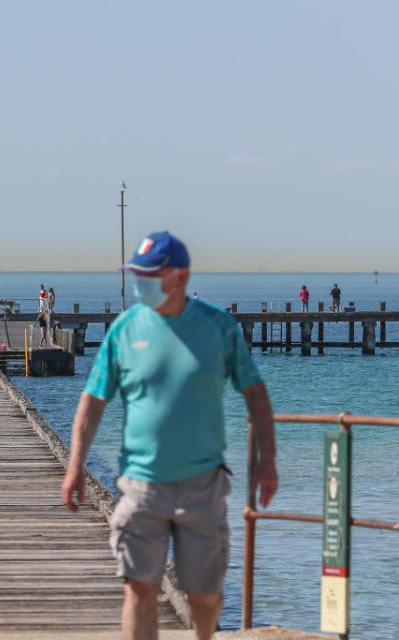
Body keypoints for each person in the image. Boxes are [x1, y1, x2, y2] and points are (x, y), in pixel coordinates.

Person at [59, 231, 278, 640]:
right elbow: (92, 402)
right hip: (141, 485)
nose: (140, 282)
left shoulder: (219, 327)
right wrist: (75, 467)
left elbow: (256, 393)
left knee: (205, 596)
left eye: (149, 275)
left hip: (204, 487)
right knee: (139, 588)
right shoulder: (125, 329)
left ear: (180, 277)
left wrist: (268, 462)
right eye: (136, 274)